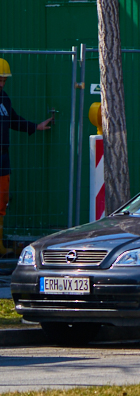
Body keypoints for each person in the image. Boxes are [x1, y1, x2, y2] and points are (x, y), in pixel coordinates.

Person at [0, 59, 55, 254]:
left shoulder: (4, 99)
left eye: (4, 80)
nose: (2, 83)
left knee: (1, 201)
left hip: (3, 158)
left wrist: (35, 127)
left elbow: (13, 120)